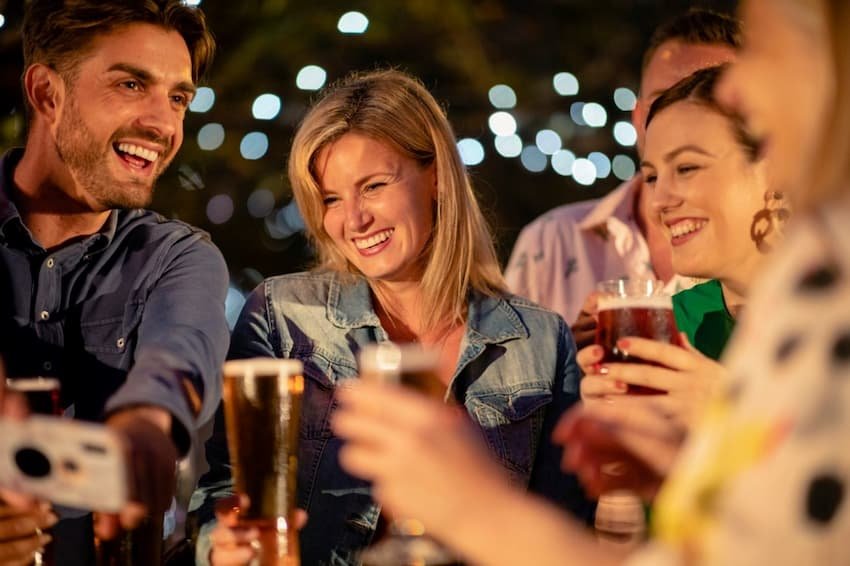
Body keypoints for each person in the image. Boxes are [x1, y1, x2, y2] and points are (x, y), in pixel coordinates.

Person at [332, 0, 850, 564]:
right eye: (653, 174)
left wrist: (475, 508)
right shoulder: (770, 300)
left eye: (767, 50)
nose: (733, 89)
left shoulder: (828, 293)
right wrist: (687, 466)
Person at [195, 69, 592, 565]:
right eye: (331, 199)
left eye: (375, 186)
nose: (353, 219)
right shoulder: (282, 315)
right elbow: (223, 491)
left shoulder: (539, 338)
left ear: (438, 178)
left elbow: (563, 526)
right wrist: (222, 548)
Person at [0, 1, 229, 564]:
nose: (165, 124)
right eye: (131, 84)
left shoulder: (177, 257)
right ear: (47, 94)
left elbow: (182, 353)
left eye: (179, 98)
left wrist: (148, 420)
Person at [506, 8, 739, 342]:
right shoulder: (550, 242)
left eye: (709, 100)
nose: (680, 122)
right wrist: (562, 368)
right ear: (638, 116)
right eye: (663, 102)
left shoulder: (799, 260)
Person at [579, 64, 786, 429]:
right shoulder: (671, 326)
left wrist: (730, 407)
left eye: (687, 168)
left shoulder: (832, 306)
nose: (659, 200)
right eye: (653, 177)